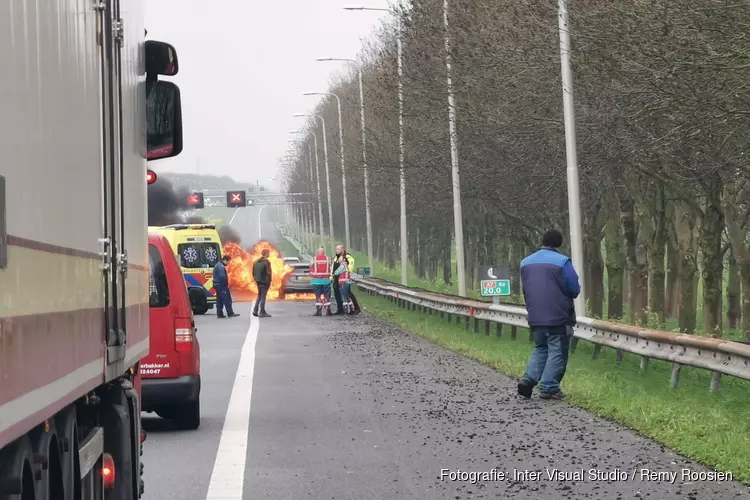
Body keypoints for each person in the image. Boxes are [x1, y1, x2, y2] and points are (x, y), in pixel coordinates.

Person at [517, 229, 580, 400]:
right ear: (559, 243)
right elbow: (574, 288)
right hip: (558, 315)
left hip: (535, 315)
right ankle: (549, 386)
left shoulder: (525, 262)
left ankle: (528, 379)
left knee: (541, 347)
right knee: (557, 350)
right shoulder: (562, 262)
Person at [330, 245, 361, 315]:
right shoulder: (335, 258)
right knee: (337, 294)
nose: (336, 251)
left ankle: (355, 308)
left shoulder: (348, 257)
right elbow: (332, 269)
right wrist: (331, 278)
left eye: (338, 249)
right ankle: (340, 309)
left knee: (348, 294)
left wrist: (342, 271)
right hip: (336, 278)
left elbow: (350, 268)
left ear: (342, 250)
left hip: (345, 278)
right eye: (336, 249)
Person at [310, 247, 333, 316]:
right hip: (326, 280)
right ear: (324, 253)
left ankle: (319, 311)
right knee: (327, 296)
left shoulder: (314, 259)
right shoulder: (328, 259)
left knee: (318, 296)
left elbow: (311, 267)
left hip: (316, 281)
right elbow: (330, 268)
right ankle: (328, 310)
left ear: (317, 253)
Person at [252, 249, 272, 318]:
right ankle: (262, 312)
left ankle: (255, 310)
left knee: (259, 295)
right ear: (266, 253)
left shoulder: (255, 262)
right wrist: (269, 281)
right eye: (268, 253)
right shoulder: (266, 262)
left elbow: (253, 273)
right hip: (264, 282)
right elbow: (268, 273)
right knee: (263, 296)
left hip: (258, 281)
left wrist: (256, 280)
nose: (269, 254)